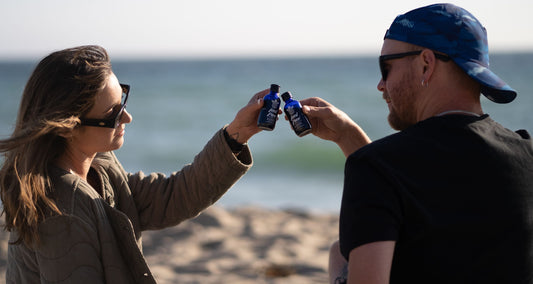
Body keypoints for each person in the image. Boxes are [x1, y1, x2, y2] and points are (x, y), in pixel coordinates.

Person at [298, 4, 533, 283]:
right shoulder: (526, 154)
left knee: (340, 253)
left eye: (386, 67)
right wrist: (349, 137)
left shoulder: (376, 168)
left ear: (426, 63)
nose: (380, 85)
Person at [0, 45, 271, 283]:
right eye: (113, 113)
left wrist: (237, 134)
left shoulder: (100, 168)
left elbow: (173, 197)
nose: (127, 117)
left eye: (123, 100)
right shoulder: (61, 207)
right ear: (67, 127)